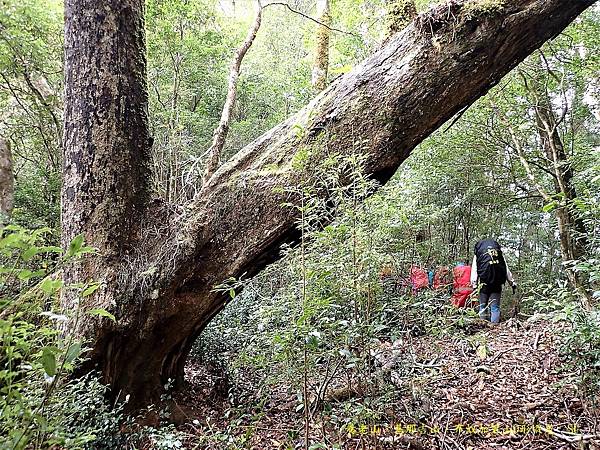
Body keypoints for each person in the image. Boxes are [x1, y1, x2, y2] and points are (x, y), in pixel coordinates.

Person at [470, 238, 516, 323]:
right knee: (495, 307)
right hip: (497, 283)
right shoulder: (498, 253)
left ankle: (483, 327)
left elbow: (475, 270)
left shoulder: (479, 254)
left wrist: (474, 285)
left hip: (484, 283)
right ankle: (494, 328)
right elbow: (505, 269)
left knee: (482, 306)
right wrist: (512, 282)